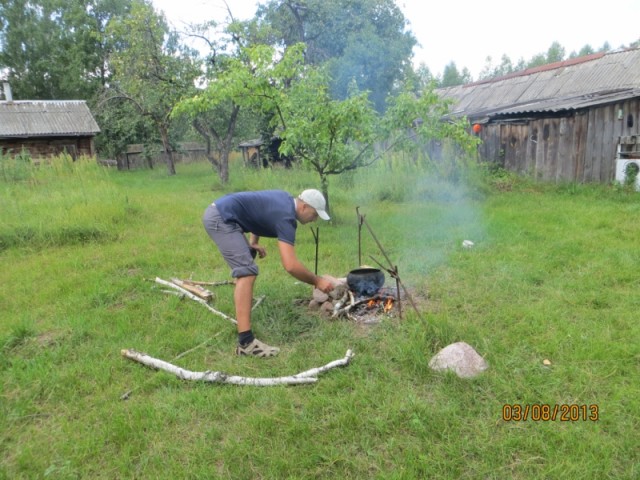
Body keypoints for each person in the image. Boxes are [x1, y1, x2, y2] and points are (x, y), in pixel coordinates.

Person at [202, 189, 334, 357]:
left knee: (248, 260)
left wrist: (253, 242)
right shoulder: (286, 218)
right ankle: (246, 343)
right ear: (304, 207)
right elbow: (291, 265)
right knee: (247, 272)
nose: (314, 219)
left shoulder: (285, 200)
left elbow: (260, 210)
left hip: (223, 213)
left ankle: (243, 304)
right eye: (314, 214)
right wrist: (317, 281)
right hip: (221, 218)